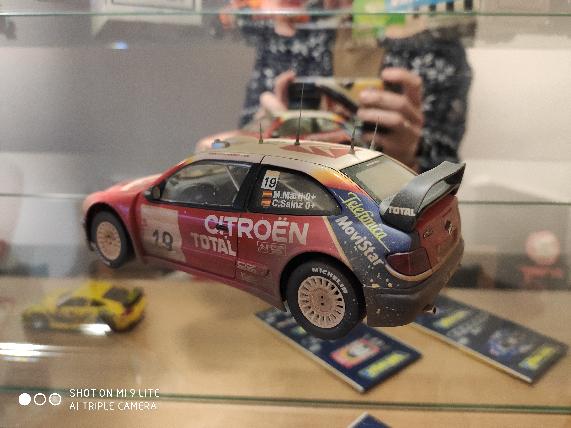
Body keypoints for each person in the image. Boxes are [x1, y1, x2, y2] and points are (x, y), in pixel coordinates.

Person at [230, 2, 472, 172]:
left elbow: (444, 171)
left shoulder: (435, 45)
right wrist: (262, 137)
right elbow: (242, 143)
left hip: (378, 212)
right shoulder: (291, 27)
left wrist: (409, 160)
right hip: (293, 200)